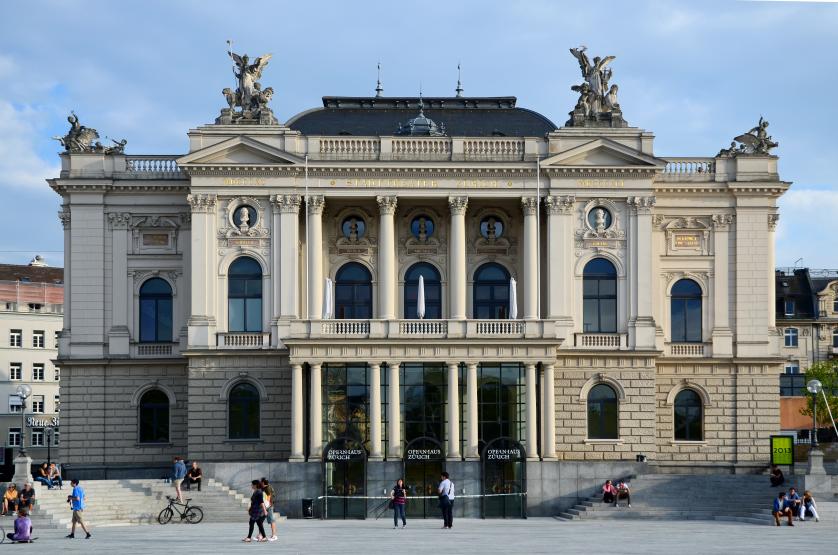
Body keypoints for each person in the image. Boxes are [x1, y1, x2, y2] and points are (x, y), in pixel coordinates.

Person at [260, 477, 278, 542]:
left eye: (261, 482)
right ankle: (260, 535)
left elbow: (268, 497)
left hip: (268, 506)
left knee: (271, 520)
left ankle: (274, 535)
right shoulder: (265, 487)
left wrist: (266, 506)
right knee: (260, 520)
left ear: (263, 482)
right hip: (266, 506)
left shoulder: (267, 488)